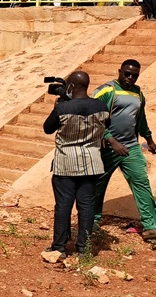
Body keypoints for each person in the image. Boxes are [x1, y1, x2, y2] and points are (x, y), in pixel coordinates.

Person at [93, 59, 156, 241]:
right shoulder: (107, 90)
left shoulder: (138, 94)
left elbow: (141, 119)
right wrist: (112, 141)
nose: (131, 78)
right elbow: (94, 118)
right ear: (120, 71)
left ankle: (151, 227)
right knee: (97, 185)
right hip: (107, 148)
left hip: (131, 147)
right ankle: (91, 222)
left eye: (135, 75)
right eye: (127, 74)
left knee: (141, 182)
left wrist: (149, 139)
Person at [43, 71, 109, 257]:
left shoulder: (63, 108)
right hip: (92, 163)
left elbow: (48, 128)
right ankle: (84, 249)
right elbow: (107, 125)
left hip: (66, 163)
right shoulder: (102, 106)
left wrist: (57, 107)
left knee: (63, 205)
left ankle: (59, 247)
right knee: (87, 206)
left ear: (70, 86)